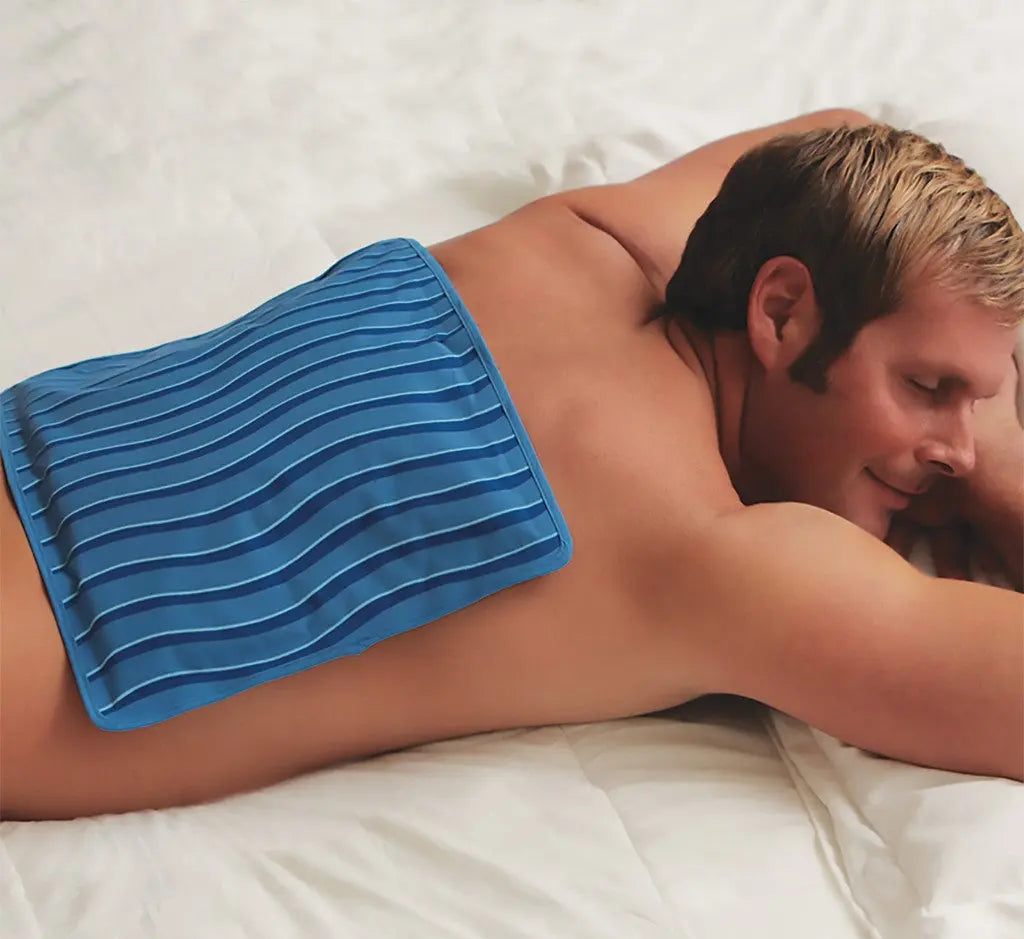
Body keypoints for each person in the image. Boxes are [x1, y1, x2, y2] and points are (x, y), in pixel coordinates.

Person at [2, 109, 1022, 820]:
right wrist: (1004, 487)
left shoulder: (580, 240)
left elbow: (838, 139)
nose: (961, 449)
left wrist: (941, 418)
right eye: (929, 386)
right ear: (781, 311)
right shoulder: (718, 563)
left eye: (985, 402)